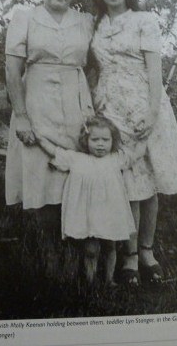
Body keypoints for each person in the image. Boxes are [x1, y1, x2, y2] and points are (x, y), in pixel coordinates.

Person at [90, 0, 177, 286]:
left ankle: (147, 251)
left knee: (149, 183)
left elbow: (154, 71)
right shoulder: (97, 24)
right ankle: (129, 255)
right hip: (110, 111)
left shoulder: (145, 20)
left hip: (145, 106)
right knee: (127, 184)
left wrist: (151, 112)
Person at [5, 0, 94, 277]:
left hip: (76, 103)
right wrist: (21, 115)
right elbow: (13, 70)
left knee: (74, 175)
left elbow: (97, 63)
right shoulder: (25, 18)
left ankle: (76, 252)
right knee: (41, 177)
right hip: (37, 101)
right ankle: (50, 257)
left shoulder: (85, 21)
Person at [37, 116, 140, 286]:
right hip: (87, 215)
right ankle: (91, 281)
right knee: (90, 249)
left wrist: (145, 137)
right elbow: (53, 150)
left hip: (109, 212)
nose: (100, 144)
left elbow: (136, 154)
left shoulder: (115, 158)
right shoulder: (77, 158)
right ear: (86, 140)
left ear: (113, 141)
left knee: (110, 246)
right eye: (95, 139)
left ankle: (109, 280)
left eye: (105, 140)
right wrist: (39, 134)